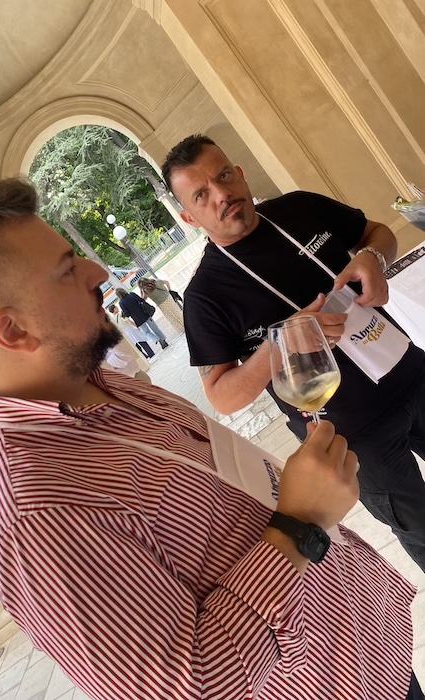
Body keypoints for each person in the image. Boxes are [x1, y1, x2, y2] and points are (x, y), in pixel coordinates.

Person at [0, 179, 421, 700]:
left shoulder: (102, 383)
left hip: (361, 649)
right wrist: (300, 523)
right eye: (67, 270)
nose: (98, 272)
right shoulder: (32, 514)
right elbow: (189, 686)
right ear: (13, 332)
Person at [161, 133, 425, 573]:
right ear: (189, 216)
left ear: (240, 174)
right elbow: (223, 395)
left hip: (410, 370)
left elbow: (375, 234)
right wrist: (281, 343)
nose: (222, 194)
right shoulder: (205, 296)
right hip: (351, 433)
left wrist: (374, 258)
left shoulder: (300, 208)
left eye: (223, 176)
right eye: (201, 195)